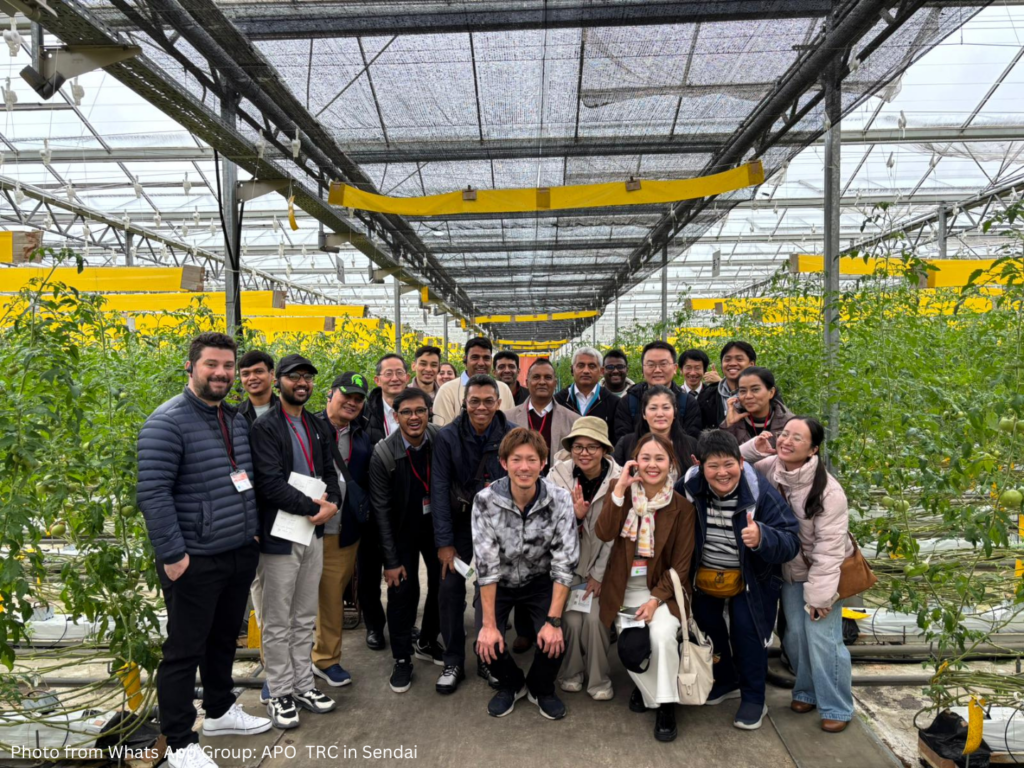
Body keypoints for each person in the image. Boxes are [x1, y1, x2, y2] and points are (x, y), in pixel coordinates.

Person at [138, 332, 271, 768]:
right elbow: (153, 494)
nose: (222, 373)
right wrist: (175, 555)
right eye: (212, 364)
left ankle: (218, 711)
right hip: (194, 558)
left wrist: (250, 534)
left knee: (222, 640)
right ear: (191, 367)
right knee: (183, 650)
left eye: (228, 366)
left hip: (236, 550)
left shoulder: (233, 418)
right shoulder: (168, 421)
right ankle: (178, 740)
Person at [740, 418, 855, 733]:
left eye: (798, 438)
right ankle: (806, 691)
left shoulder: (829, 492)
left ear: (813, 449)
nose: (786, 441)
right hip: (790, 570)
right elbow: (729, 463)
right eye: (785, 434)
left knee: (824, 639)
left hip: (822, 572)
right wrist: (753, 447)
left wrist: (820, 597)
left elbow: (830, 551)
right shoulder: (770, 467)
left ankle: (837, 707)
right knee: (795, 636)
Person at [680, 430, 800, 731]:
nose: (722, 473)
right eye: (713, 466)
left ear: (741, 460)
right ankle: (726, 680)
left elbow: (791, 540)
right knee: (707, 627)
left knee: (748, 633)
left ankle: (754, 698)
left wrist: (762, 536)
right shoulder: (689, 487)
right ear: (699, 464)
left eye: (729, 464)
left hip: (752, 578)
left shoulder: (759, 493)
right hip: (706, 575)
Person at [250, 354, 342, 729]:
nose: (301, 383)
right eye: (294, 377)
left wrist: (331, 505)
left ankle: (304, 684)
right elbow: (269, 483)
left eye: (307, 377)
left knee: (305, 614)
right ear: (278, 380)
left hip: (312, 531)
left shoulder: (317, 425)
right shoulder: (266, 427)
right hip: (280, 534)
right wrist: (312, 507)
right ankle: (281, 689)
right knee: (277, 618)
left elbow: (328, 471)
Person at [594, 433, 695, 741]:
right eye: (646, 458)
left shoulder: (681, 508)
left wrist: (654, 601)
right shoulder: (620, 491)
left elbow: (680, 567)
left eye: (659, 458)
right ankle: (646, 688)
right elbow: (604, 532)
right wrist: (620, 489)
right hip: (623, 592)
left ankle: (665, 704)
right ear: (635, 462)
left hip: (660, 592)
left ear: (671, 463)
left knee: (663, 635)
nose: (652, 465)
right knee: (632, 647)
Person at [474, 428, 579, 720]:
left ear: (543, 462)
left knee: (555, 637)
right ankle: (512, 685)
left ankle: (540, 687)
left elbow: (564, 561)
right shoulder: (485, 501)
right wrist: (489, 625)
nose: (524, 467)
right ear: (504, 462)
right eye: (516, 459)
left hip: (539, 580)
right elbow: (486, 565)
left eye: (531, 459)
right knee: (485, 641)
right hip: (500, 582)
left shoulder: (559, 499)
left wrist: (553, 620)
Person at [431, 374, 516, 694]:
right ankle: (453, 658)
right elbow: (439, 490)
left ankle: (487, 655)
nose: (481, 407)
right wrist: (444, 543)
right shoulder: (447, 437)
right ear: (464, 403)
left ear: (498, 403)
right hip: (459, 524)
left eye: (488, 401)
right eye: (474, 401)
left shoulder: (511, 434)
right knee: (449, 588)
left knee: (488, 591)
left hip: (496, 527)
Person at [369, 388, 445, 693]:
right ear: (396, 416)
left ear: (429, 412)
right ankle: (402, 658)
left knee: (443, 583)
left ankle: (427, 640)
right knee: (402, 590)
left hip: (435, 526)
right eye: (407, 412)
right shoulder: (384, 453)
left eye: (420, 411)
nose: (414, 417)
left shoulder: (440, 440)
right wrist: (391, 560)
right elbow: (381, 511)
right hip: (400, 529)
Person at [548, 417, 622, 701]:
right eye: (578, 446)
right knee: (571, 621)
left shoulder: (618, 480)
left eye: (592, 447)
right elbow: (550, 525)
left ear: (604, 449)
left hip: (604, 567)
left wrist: (599, 574)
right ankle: (570, 673)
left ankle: (599, 679)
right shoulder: (558, 476)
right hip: (567, 567)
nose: (584, 453)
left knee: (594, 620)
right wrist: (574, 517)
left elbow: (617, 532)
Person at [310, 372, 373, 688]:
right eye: (346, 395)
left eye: (358, 399)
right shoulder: (305, 426)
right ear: (330, 394)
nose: (352, 402)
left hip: (343, 530)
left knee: (331, 597)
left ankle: (326, 659)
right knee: (286, 600)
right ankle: (280, 667)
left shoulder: (362, 434)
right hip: (303, 528)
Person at [361, 353, 410, 650]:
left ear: (407, 377)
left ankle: (401, 623)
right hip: (370, 504)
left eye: (399, 373)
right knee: (368, 572)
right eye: (388, 373)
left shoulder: (414, 409)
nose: (394, 378)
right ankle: (374, 626)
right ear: (378, 380)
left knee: (401, 568)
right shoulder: (364, 414)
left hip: (403, 505)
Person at [613, 341, 701, 443]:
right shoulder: (628, 401)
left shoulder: (688, 403)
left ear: (675, 368)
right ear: (643, 368)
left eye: (663, 364)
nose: (657, 370)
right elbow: (623, 442)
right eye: (651, 365)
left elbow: (691, 443)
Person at [504, 358, 580, 467]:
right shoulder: (507, 417)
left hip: (559, 482)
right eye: (536, 377)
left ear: (555, 383)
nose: (542, 382)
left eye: (548, 377)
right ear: (527, 383)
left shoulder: (573, 420)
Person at [613, 385, 698, 472]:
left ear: (675, 412)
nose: (660, 414)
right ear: (644, 414)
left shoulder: (691, 445)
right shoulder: (626, 443)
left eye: (666, 408)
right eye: (653, 408)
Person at [432, 338, 516, 425]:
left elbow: (512, 430)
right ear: (465, 359)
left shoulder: (503, 389)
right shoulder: (447, 391)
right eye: (475, 357)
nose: (481, 363)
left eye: (486, 358)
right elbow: (442, 431)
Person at [721, 366, 794, 445]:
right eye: (742, 391)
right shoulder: (735, 417)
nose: (748, 396)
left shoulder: (789, 422)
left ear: (771, 392)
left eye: (755, 389)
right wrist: (728, 426)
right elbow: (719, 453)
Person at [555, 346, 617, 434]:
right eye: (581, 366)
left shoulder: (613, 403)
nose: (586, 371)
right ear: (572, 370)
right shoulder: (558, 401)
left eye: (592, 366)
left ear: (601, 371)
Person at [698, 340, 755, 430]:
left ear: (751, 364)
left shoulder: (763, 393)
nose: (732, 363)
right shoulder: (707, 395)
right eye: (727, 359)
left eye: (739, 359)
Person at [237, 350, 277, 425]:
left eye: (258, 371)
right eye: (245, 374)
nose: (252, 378)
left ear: (272, 374)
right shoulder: (234, 415)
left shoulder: (288, 410)